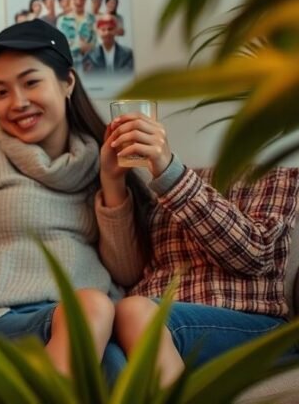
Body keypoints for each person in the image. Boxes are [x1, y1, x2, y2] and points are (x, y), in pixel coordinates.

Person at [0, 19, 148, 382]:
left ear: (67, 82)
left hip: (87, 323)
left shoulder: (105, 160)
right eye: (0, 92)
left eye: (31, 82)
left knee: (115, 367)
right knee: (92, 308)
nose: (18, 102)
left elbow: (126, 272)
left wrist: (112, 181)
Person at [103, 108, 298, 385]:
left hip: (247, 322)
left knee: (135, 312)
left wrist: (170, 171)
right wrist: (112, 180)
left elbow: (254, 256)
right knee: (98, 345)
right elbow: (126, 272)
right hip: (145, 318)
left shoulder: (275, 176)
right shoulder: (155, 189)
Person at [55, 0, 96, 70]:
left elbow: (98, 44)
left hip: (91, 66)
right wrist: (79, 46)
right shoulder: (62, 21)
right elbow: (60, 46)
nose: (78, 2)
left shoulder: (92, 19)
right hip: (69, 66)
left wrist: (89, 47)